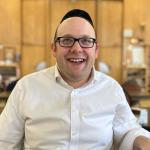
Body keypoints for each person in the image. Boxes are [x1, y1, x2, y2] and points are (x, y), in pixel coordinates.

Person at [0, 9, 150, 150]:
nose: (77, 49)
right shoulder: (26, 88)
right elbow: (4, 143)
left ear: (96, 50)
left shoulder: (111, 89)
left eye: (86, 41)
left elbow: (128, 131)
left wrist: (141, 141)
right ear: (54, 48)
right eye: (66, 40)